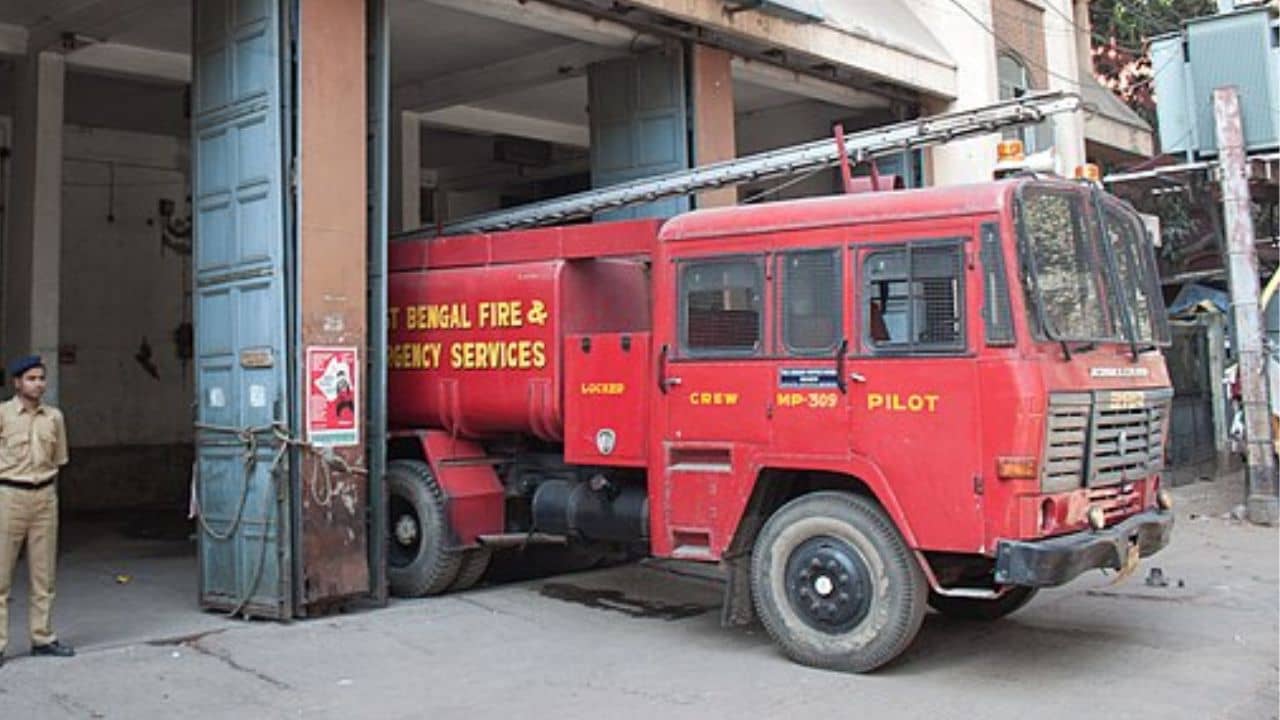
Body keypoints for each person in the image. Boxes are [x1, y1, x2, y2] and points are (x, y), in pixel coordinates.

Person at [0, 355, 74, 667]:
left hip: (44, 497)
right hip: (9, 495)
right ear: (17, 382)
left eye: (41, 378)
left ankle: (42, 637)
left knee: (44, 575)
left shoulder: (53, 417)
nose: (38, 384)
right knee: (1, 577)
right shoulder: (3, 415)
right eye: (31, 378)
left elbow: (59, 460)